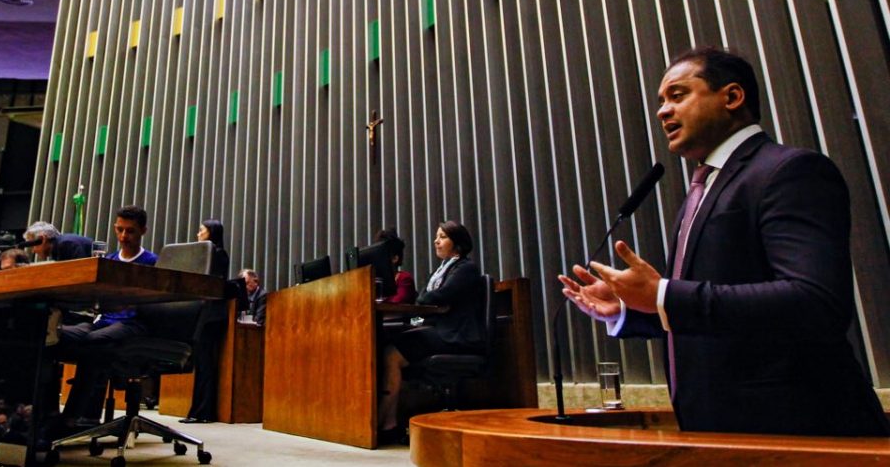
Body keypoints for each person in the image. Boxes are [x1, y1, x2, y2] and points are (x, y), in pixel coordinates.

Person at [559, 46, 889, 437]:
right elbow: (722, 315)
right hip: (719, 431)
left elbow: (814, 302)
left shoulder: (789, 171)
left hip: (798, 431)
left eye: (678, 95)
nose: (663, 111)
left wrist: (664, 295)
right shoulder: (702, 189)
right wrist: (634, 309)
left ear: (731, 96)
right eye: (661, 101)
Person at [378, 221, 483, 444]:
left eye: (443, 237)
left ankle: (387, 423)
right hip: (439, 330)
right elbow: (423, 298)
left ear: (458, 244)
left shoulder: (466, 268)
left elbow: (435, 296)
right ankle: (388, 422)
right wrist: (431, 301)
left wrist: (432, 300)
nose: (436, 241)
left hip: (455, 335)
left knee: (391, 354)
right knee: (390, 348)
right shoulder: (440, 271)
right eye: (437, 236)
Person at [56, 206, 158, 427]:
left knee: (93, 342)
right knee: (58, 335)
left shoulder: (152, 262)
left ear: (143, 231)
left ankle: (76, 416)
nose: (123, 236)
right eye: (119, 230)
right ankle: (61, 415)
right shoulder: (109, 260)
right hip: (103, 319)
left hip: (133, 322)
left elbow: (153, 304)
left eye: (130, 231)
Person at [179, 219, 231, 424]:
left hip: (211, 314)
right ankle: (198, 411)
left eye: (202, 230)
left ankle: (203, 412)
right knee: (201, 364)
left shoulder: (217, 254)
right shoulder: (212, 253)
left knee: (205, 363)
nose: (198, 234)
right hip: (206, 313)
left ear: (212, 232)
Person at [374, 228, 416, 304]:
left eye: (382, 254)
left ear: (395, 258)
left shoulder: (404, 279)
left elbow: (397, 302)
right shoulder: (375, 280)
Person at [24, 221, 96, 262]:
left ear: (43, 239)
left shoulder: (66, 245)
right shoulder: (59, 247)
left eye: (33, 246)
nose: (33, 251)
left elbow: (83, 271)